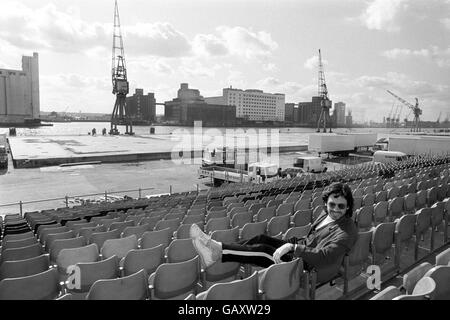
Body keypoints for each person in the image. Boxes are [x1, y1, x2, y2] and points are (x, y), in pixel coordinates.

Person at [190, 182, 358, 272]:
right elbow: (312, 238)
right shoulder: (325, 214)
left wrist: (293, 247)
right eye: (332, 204)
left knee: (262, 250)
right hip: (302, 252)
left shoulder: (347, 231)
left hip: (306, 264)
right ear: (326, 203)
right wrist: (293, 243)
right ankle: (217, 254)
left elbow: (324, 256)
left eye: (341, 206)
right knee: (260, 238)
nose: (335, 210)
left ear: (348, 207)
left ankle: (217, 251)